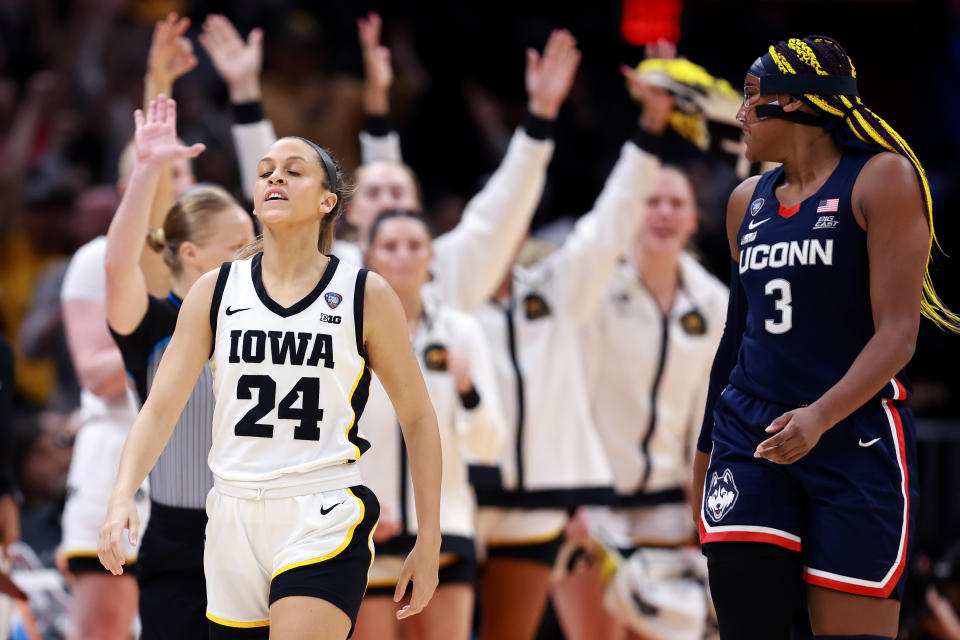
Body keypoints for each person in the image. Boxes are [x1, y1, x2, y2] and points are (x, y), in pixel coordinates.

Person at [98, 99, 443, 640]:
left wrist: (432, 536)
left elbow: (419, 418)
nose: (274, 178)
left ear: (328, 201)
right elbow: (160, 407)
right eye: (265, 172)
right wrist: (121, 497)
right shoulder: (216, 291)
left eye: (293, 171)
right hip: (231, 513)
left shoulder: (364, 293)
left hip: (322, 509)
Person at [694, 35, 960, 639]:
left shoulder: (881, 179)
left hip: (852, 433)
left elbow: (898, 334)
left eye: (751, 98)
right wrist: (706, 449)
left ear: (794, 104)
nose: (739, 114)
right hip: (751, 435)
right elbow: (737, 338)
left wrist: (818, 417)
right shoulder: (746, 203)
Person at [214, 13, 579, 315]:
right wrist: (245, 92)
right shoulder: (322, 264)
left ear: (416, 210)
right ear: (350, 210)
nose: (389, 202)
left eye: (398, 193)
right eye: (375, 193)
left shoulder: (442, 263)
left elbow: (505, 205)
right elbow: (271, 195)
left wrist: (540, 120)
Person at [471, 99, 666, 640]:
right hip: (457, 498)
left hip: (538, 500)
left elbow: (609, 225)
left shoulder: (556, 287)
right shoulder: (445, 289)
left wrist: (649, 130)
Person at [57, 15, 199, 639]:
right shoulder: (99, 262)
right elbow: (94, 372)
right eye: (169, 177)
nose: (179, 189)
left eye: (187, 175)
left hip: (195, 463)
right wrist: (174, 346)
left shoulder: (219, 270)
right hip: (116, 444)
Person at [552, 166, 727, 640]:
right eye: (652, 201)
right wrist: (572, 496)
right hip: (593, 509)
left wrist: (707, 505)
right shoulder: (595, 292)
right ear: (630, 213)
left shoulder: (716, 304)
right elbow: (569, 397)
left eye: (676, 203)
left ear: (694, 219)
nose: (664, 212)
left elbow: (711, 412)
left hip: (670, 513)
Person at [105, 92, 254, 639]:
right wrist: (147, 168)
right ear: (189, 253)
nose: (251, 258)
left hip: (256, 524)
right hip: (176, 535)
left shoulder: (267, 319)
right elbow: (119, 266)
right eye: (238, 246)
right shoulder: (151, 327)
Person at [354, 210, 505, 640]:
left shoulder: (462, 332)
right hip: (366, 531)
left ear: (431, 256)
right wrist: (357, 505)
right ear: (369, 256)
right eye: (390, 247)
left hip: (445, 531)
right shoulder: (344, 333)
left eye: (414, 246)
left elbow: (490, 443)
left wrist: (467, 389)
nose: (403, 257)